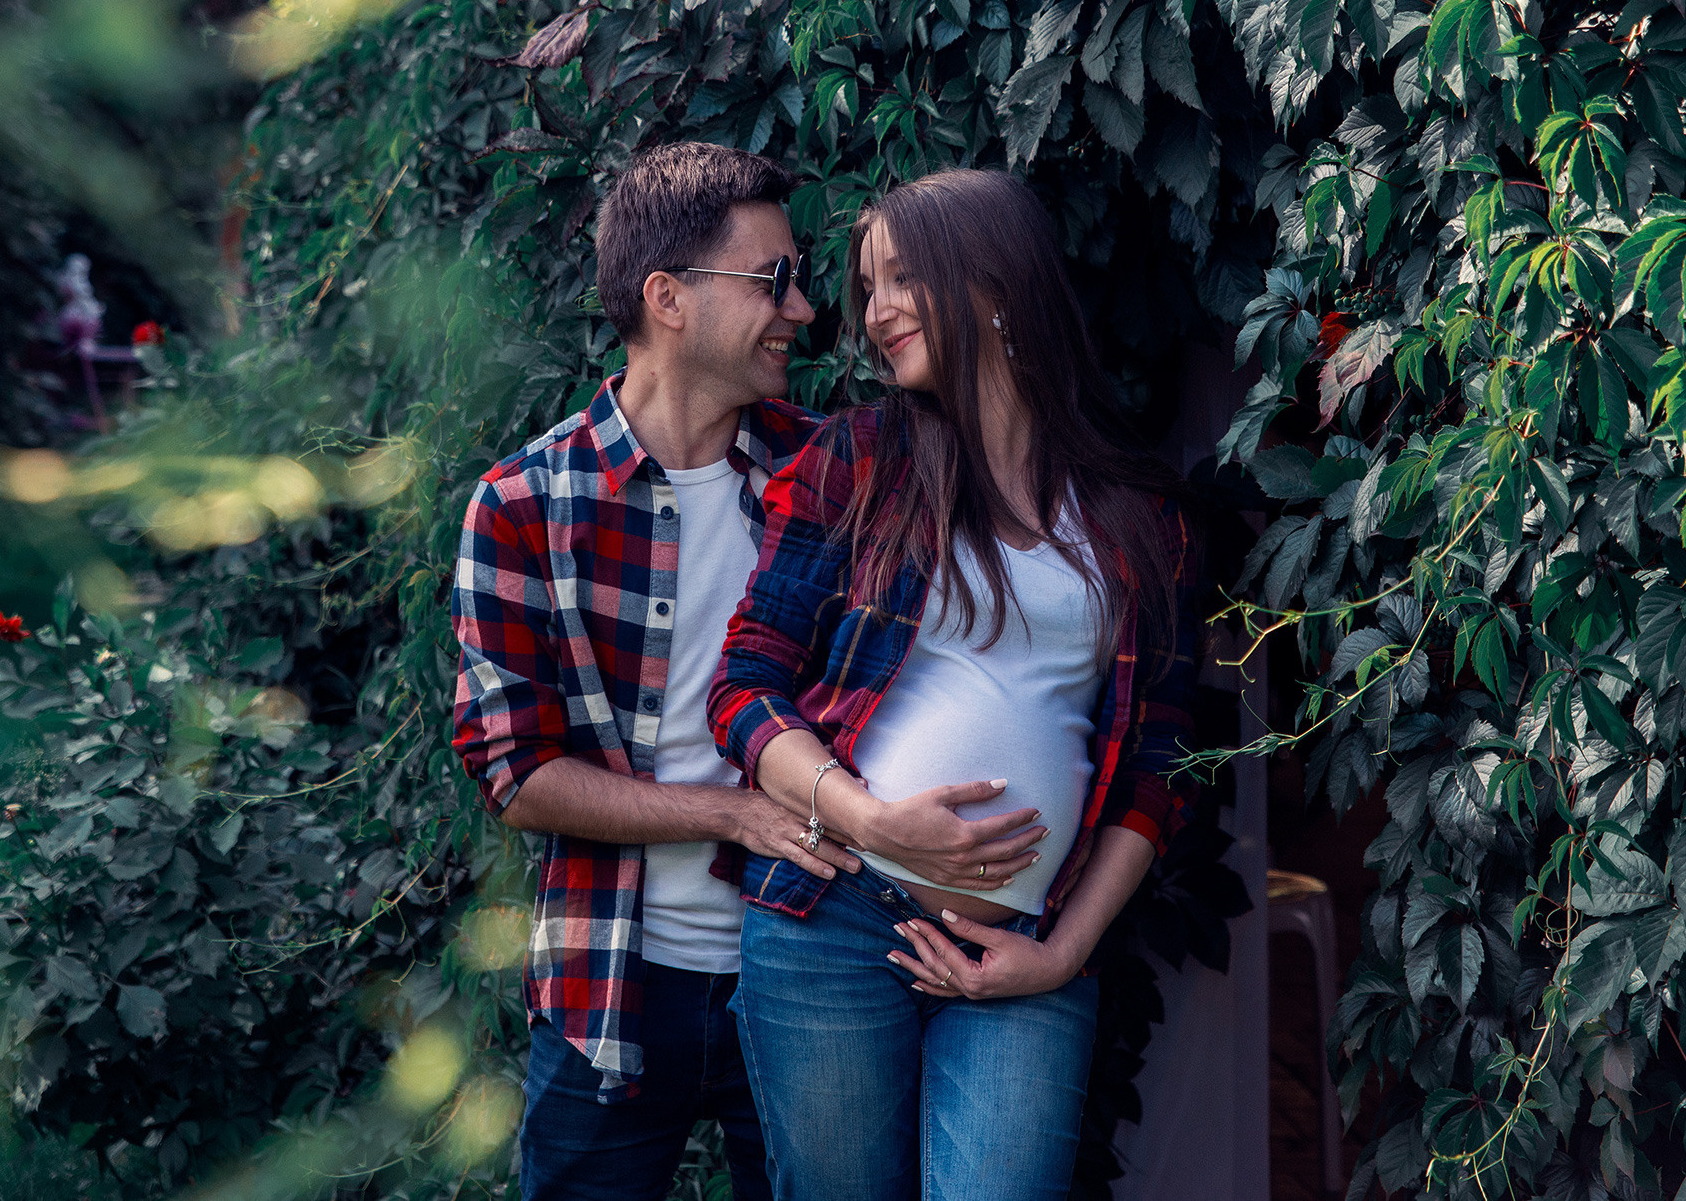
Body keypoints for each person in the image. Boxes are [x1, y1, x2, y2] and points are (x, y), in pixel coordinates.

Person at [709, 167, 1202, 1201]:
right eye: (866, 285)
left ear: (993, 279)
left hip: (1018, 946)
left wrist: (1062, 953)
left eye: (901, 279)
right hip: (835, 917)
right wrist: (874, 823)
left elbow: (1161, 762)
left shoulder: (1135, 513)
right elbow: (745, 687)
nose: (873, 310)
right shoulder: (856, 462)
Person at [452, 142, 857, 1201]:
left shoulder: (832, 480)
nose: (802, 308)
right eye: (772, 279)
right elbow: (513, 770)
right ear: (668, 297)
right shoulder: (523, 504)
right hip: (611, 976)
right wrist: (726, 815)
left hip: (809, 969)